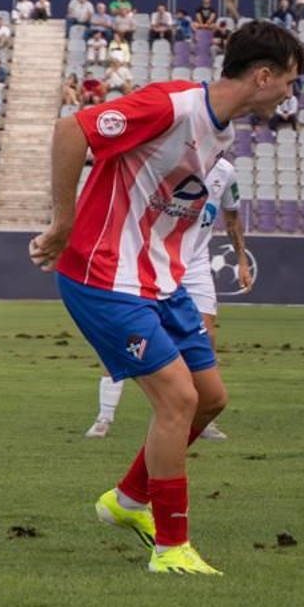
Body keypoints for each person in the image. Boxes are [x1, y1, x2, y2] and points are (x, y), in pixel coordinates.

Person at [31, 21, 304, 577]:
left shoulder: (221, 133)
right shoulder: (174, 105)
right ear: (263, 75)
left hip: (160, 281)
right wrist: (63, 224)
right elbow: (70, 131)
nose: (290, 94)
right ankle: (171, 547)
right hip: (104, 277)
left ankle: (128, 502)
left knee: (209, 398)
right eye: (289, 82)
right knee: (177, 400)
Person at [86, 158, 250, 442]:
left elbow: (232, 217)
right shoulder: (174, 159)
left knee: (207, 334)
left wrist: (242, 260)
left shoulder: (226, 173)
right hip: (156, 258)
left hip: (195, 263)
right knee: (125, 336)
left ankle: (202, 418)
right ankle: (105, 415)